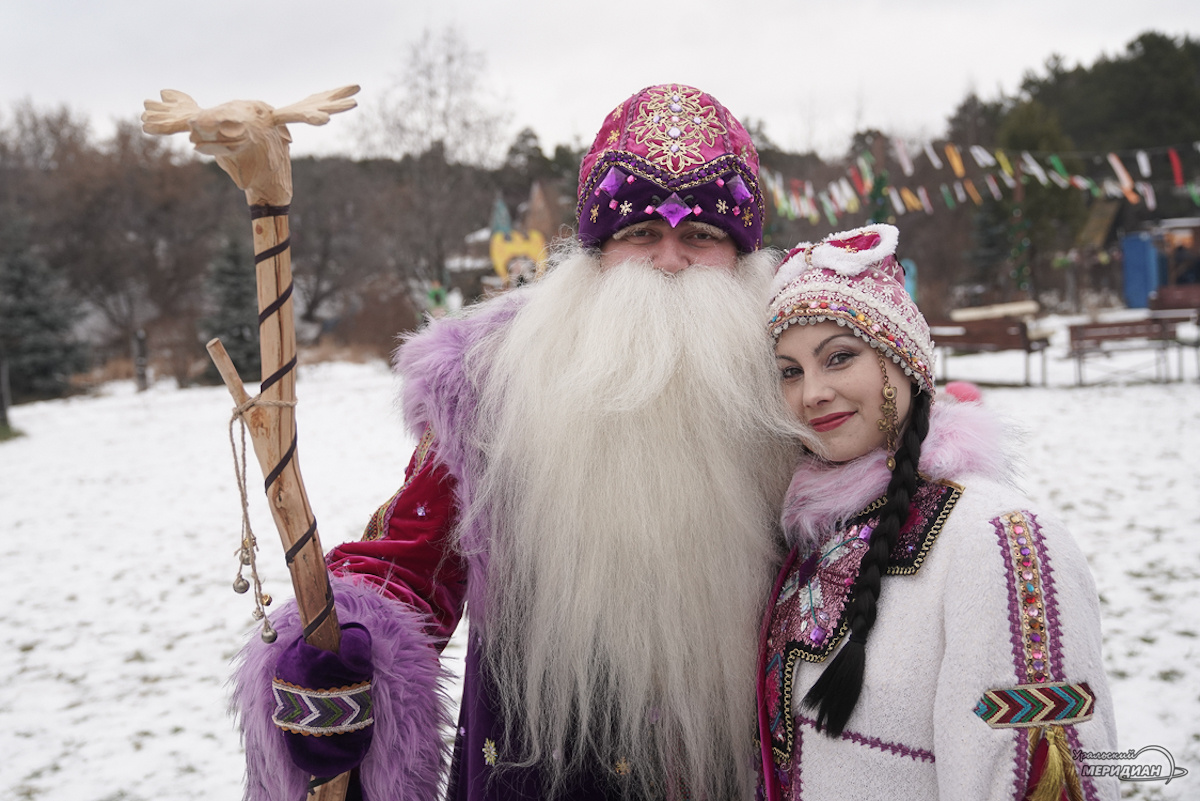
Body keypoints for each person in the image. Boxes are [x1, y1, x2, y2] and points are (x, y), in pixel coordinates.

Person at [232, 83, 807, 801]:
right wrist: (339, 637)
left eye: (700, 236)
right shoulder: (498, 385)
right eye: (640, 235)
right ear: (598, 251)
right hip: (547, 770)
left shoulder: (797, 378)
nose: (668, 260)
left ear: (742, 250)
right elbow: (411, 560)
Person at [755, 223, 1119, 800]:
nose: (812, 393)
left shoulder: (1000, 540)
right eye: (790, 371)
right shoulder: (801, 542)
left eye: (839, 357)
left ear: (905, 362)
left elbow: (1033, 775)